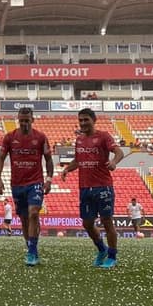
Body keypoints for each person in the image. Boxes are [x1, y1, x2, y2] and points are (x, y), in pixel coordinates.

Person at [60, 108, 125, 268]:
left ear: (94, 120)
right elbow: (78, 160)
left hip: (103, 186)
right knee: (87, 223)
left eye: (86, 120)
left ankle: (112, 256)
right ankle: (101, 249)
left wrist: (114, 162)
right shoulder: (79, 140)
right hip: (84, 187)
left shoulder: (103, 136)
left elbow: (119, 152)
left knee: (107, 221)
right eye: (80, 120)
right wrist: (68, 168)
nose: (82, 123)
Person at [0, 105, 55, 265]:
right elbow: (0, 158)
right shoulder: (9, 137)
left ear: (32, 120)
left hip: (35, 182)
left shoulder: (41, 137)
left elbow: (49, 160)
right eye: (21, 121)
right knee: (24, 219)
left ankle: (33, 252)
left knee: (33, 213)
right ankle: (30, 247)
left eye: (27, 121)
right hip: (17, 184)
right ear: (18, 120)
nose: (24, 124)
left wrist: (48, 180)